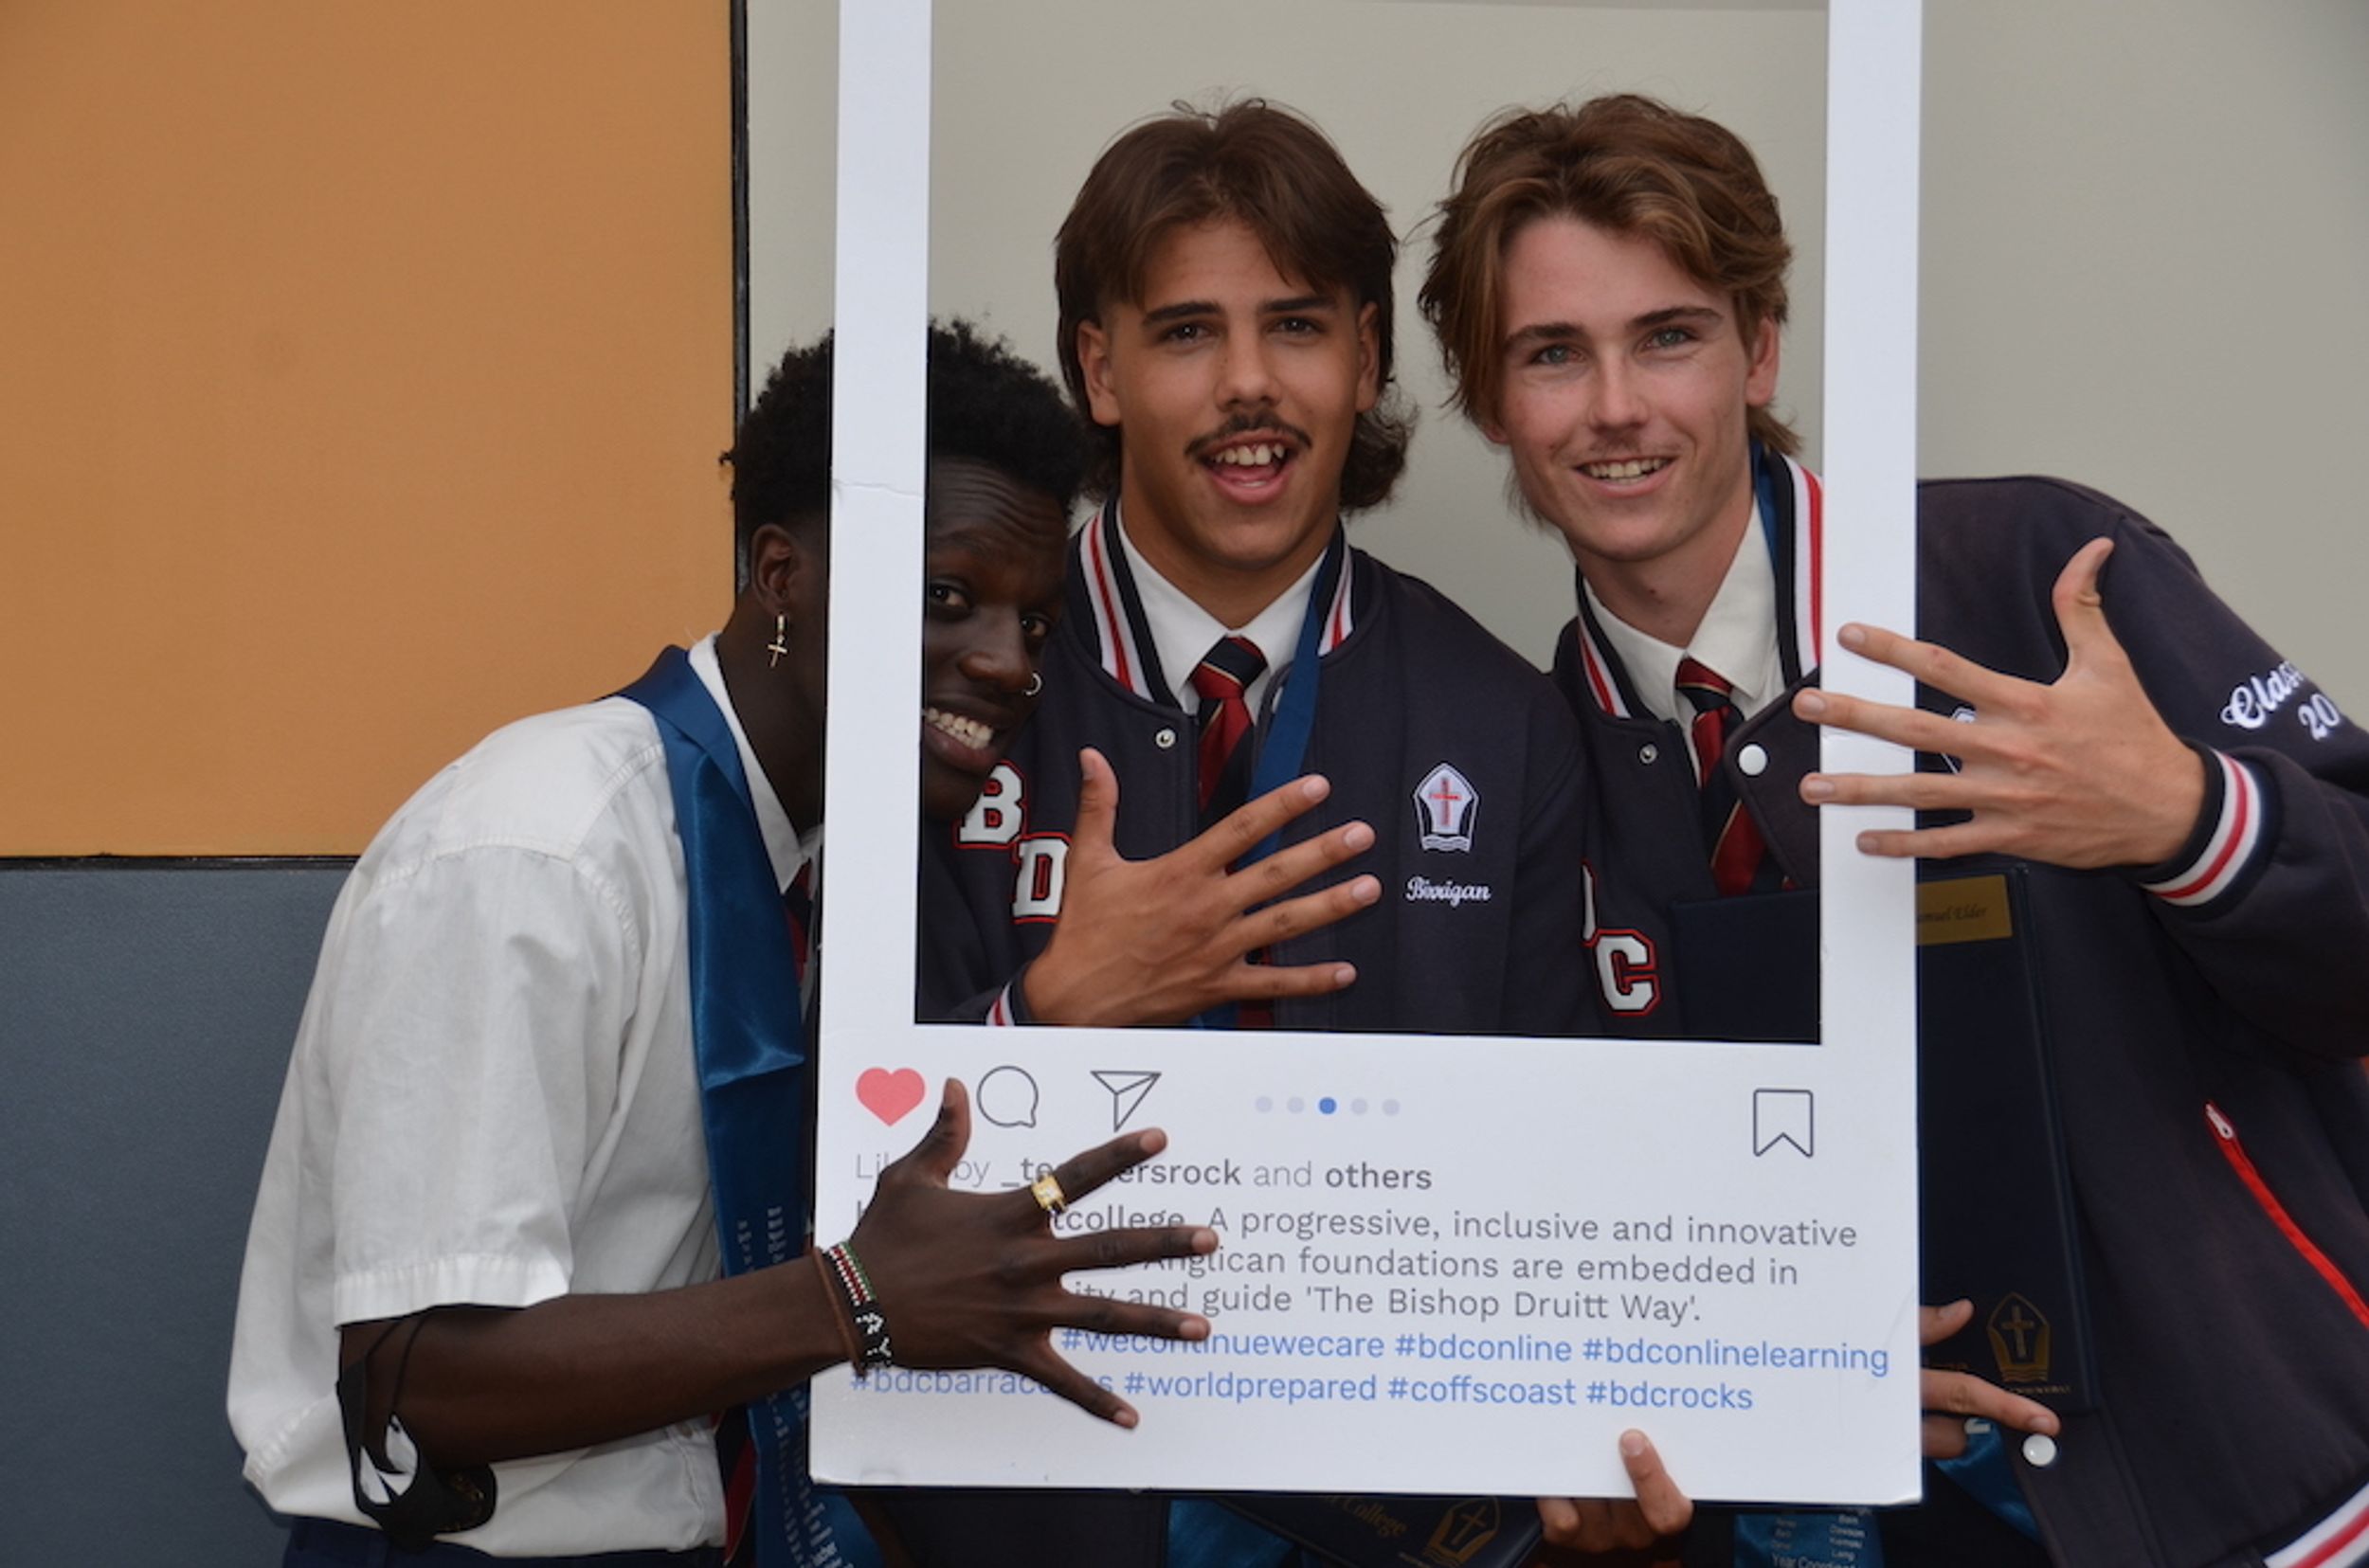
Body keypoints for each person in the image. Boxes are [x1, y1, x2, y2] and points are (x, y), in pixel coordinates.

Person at [1420, 93, 2369, 1567]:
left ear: (1760, 348)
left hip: (2278, 1491)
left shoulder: (2028, 577)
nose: (1614, 407)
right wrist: (1761, 1371)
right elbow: (1597, 1231)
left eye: (1667, 337)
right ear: (1489, 399)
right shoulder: (1524, 768)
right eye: (1552, 354)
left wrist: (2187, 817)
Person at [228, 322, 1221, 1567]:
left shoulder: (806, 866)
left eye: (1037, 624)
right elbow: (415, 1376)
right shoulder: (541, 851)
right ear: (781, 575)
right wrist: (852, 1300)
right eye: (946, 597)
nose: (1004, 662)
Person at [910, 99, 1603, 1568]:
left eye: (1295, 327)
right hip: (1011, 1514)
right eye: (1185, 333)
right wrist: (1045, 1013)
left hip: (1399, 1522)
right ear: (1099, 369)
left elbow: (1570, 1172)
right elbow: (817, 1156)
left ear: (1366, 355)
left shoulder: (1504, 722)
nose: (1248, 385)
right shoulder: (944, 692)